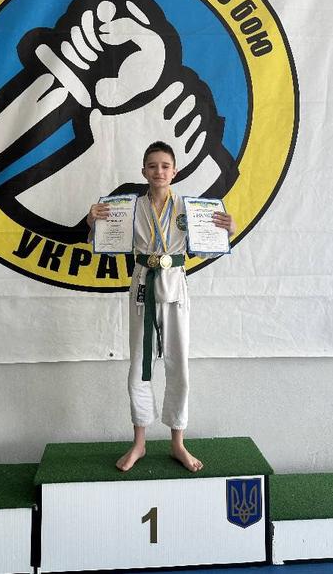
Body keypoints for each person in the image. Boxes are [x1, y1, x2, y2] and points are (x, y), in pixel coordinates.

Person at [87, 141, 235, 473]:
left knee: (178, 364)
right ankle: (139, 443)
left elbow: (209, 245)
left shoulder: (189, 208)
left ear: (175, 171)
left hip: (175, 287)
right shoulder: (130, 207)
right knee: (139, 365)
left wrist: (229, 229)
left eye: (165, 166)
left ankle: (177, 442)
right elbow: (106, 240)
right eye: (152, 166)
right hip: (143, 285)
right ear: (144, 171)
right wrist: (92, 221)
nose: (159, 171)